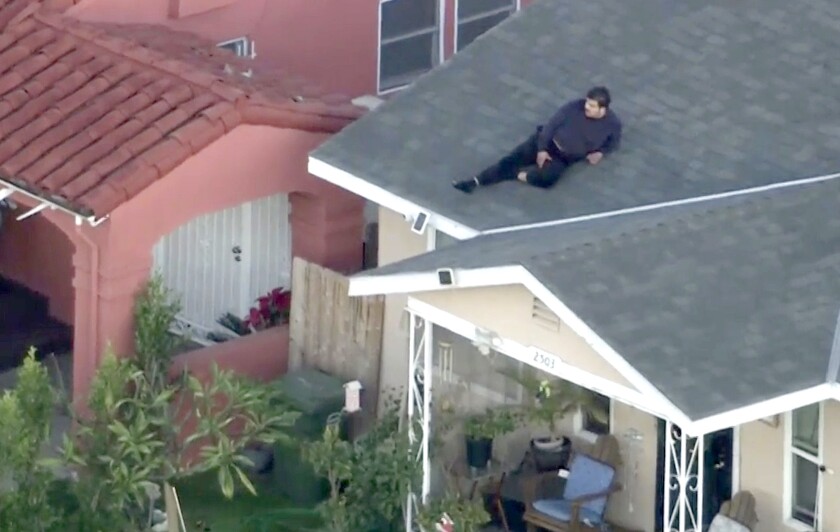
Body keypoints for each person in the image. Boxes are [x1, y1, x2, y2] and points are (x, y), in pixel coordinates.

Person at [452, 86, 622, 193]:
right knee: (511, 159)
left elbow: (613, 142)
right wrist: (542, 149)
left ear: (603, 109)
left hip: (564, 157)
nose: (586, 107)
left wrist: (600, 152)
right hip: (547, 142)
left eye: (592, 106)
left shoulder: (611, 124)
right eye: (587, 103)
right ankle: (474, 182)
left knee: (548, 179)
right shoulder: (573, 108)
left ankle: (515, 175)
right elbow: (551, 125)